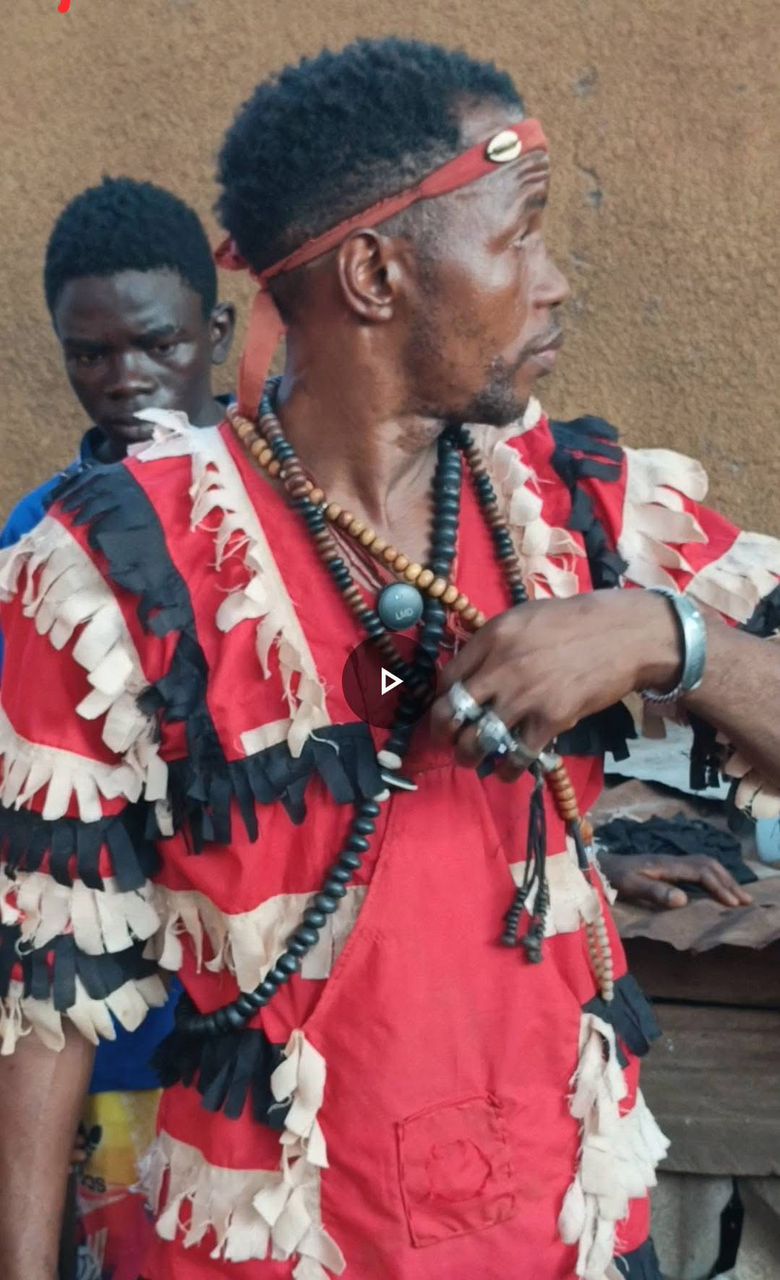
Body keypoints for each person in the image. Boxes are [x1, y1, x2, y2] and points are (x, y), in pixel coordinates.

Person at [1, 37, 779, 1280]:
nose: (555, 284)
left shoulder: (580, 506)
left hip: (564, 1235)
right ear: (375, 274)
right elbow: (43, 1000)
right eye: (520, 235)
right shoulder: (107, 569)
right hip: (262, 1245)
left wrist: (663, 636)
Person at [0, 175, 234, 1280]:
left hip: (283, 1011)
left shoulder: (294, 511)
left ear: (215, 335)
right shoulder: (39, 539)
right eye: (89, 354)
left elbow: (380, 689)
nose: (124, 378)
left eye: (156, 344)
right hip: (109, 1031)